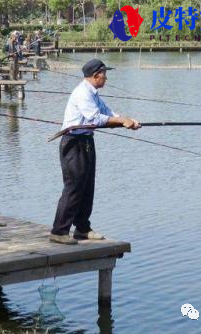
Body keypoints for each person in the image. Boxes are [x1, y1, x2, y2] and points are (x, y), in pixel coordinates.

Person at [50, 59, 141, 245]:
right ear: (95, 75)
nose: (106, 78)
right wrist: (121, 121)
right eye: (104, 74)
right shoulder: (82, 93)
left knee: (87, 187)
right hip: (73, 143)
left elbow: (106, 112)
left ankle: (82, 228)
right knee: (74, 187)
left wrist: (126, 121)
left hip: (87, 142)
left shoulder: (93, 93)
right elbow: (95, 118)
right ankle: (59, 231)